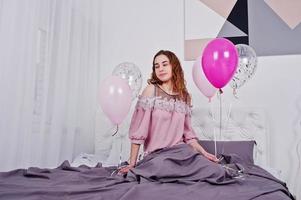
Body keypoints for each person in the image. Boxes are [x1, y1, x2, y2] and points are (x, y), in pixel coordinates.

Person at [119, 50, 218, 174]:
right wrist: (132, 163)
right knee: (167, 172)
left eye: (165, 64)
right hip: (158, 156)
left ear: (174, 66)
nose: (160, 69)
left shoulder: (185, 96)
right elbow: (139, 132)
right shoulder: (151, 91)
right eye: (157, 66)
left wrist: (204, 153)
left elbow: (189, 136)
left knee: (213, 170)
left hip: (182, 153)